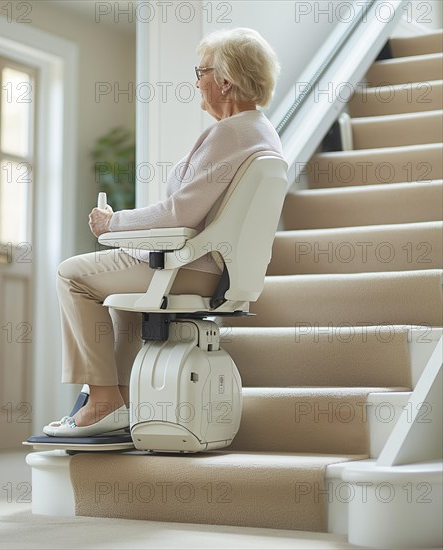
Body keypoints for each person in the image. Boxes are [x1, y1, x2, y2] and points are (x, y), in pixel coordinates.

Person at [44, 27, 285, 437]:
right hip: (216, 267)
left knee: (72, 274)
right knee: (122, 300)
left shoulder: (231, 133)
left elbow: (178, 214)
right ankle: (121, 402)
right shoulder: (261, 132)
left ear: (225, 80)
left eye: (202, 71)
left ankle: (102, 402)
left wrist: (113, 222)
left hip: (191, 265)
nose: (196, 81)